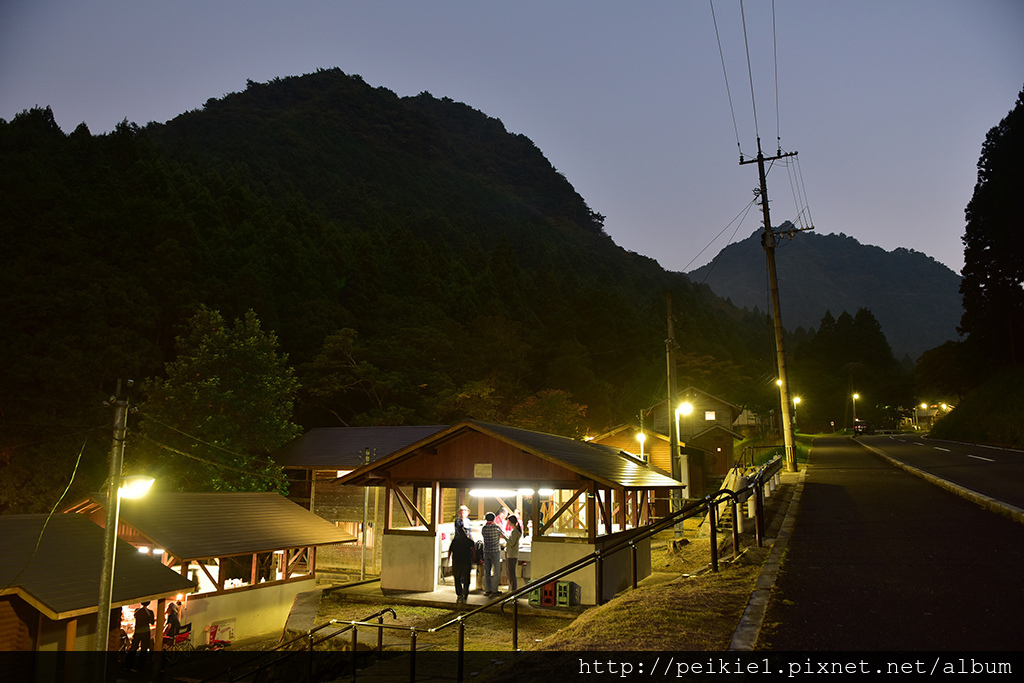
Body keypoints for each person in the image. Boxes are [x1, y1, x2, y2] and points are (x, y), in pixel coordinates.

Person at [448, 516, 474, 604]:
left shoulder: (455, 541)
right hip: (466, 562)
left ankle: (459, 594)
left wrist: (449, 561)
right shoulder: (468, 541)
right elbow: (473, 549)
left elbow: (450, 551)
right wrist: (473, 558)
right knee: (466, 578)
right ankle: (465, 592)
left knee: (457, 578)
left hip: (457, 562)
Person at [481, 512, 505, 596]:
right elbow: (503, 535)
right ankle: (494, 589)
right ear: (494, 519)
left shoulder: (483, 528)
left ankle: (487, 589)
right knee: (496, 571)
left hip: (486, 551)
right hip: (495, 550)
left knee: (487, 571)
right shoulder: (496, 527)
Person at [126, 601, 155, 669]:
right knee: (144, 649)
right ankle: (140, 666)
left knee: (134, 647)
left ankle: (128, 665)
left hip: (137, 631)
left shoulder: (137, 612)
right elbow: (152, 622)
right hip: (146, 631)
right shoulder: (150, 612)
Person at [505, 515, 522, 593]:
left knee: (511, 573)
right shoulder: (515, 531)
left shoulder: (515, 532)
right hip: (512, 554)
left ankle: (513, 590)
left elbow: (511, 543)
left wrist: (505, 537)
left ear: (511, 522)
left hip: (512, 554)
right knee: (511, 573)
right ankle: (512, 589)